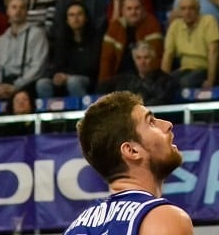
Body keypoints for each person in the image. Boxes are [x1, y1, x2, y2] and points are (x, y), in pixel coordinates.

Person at [64, 91, 194, 235]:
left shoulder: (75, 228)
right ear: (132, 150)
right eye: (151, 122)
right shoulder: (164, 219)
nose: (167, 124)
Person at [0, 0, 49, 101]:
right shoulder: (0, 40)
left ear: (26, 12)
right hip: (5, 82)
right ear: (8, 11)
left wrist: (17, 85)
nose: (18, 11)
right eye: (14, 7)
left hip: (28, 82)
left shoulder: (37, 34)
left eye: (22, 8)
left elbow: (38, 66)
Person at [36, 2, 101, 99]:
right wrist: (57, 75)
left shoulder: (96, 39)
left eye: (79, 14)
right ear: (67, 20)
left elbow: (91, 67)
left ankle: (85, 112)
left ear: (86, 18)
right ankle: (50, 113)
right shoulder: (61, 40)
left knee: (73, 81)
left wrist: (68, 76)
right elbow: (58, 64)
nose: (76, 18)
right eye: (71, 15)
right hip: (65, 78)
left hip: (88, 79)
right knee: (42, 83)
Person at [99, 0, 164, 86]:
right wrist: (103, 82)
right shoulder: (115, 26)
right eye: (129, 9)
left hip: (144, 77)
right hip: (120, 76)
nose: (133, 12)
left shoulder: (151, 23)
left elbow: (156, 58)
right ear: (123, 11)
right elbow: (106, 59)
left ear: (142, 9)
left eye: (137, 8)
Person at [161, 0, 219, 89]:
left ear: (198, 9)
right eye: (183, 9)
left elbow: (213, 52)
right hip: (185, 70)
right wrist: (162, 82)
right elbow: (168, 55)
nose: (187, 12)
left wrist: (210, 80)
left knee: (184, 83)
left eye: (191, 8)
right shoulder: (175, 25)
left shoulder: (209, 21)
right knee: (165, 85)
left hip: (204, 68)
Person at [105, 41, 179, 106]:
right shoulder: (126, 81)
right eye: (138, 58)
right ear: (134, 60)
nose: (142, 62)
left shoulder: (166, 81)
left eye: (146, 57)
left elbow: (161, 102)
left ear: (153, 59)